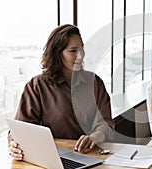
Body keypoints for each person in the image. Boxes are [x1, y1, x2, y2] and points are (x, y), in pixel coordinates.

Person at [8, 24, 115, 160]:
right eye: (73, 51)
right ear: (57, 53)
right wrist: (13, 143)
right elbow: (21, 128)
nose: (80, 55)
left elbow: (106, 123)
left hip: (91, 156)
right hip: (53, 158)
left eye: (82, 49)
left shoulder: (94, 83)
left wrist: (96, 135)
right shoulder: (37, 86)